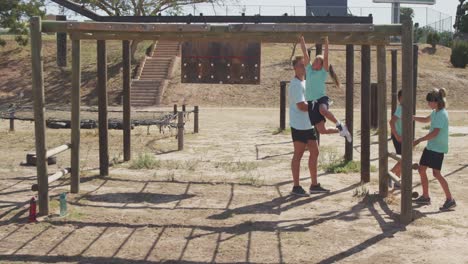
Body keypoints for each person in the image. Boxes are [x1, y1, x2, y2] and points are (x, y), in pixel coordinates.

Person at [289, 56, 329, 196]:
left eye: (304, 65)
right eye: (300, 65)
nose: (303, 67)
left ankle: (314, 184)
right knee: (298, 155)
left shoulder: (306, 82)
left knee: (315, 151)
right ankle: (296, 186)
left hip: (308, 124)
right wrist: (317, 108)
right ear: (295, 68)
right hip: (299, 125)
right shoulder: (295, 84)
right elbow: (301, 106)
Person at [299, 35, 352, 143]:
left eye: (317, 61)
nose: (314, 62)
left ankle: (339, 124)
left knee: (323, 110)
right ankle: (342, 130)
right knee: (322, 130)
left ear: (321, 66)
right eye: (314, 60)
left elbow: (326, 57)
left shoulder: (323, 72)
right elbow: (305, 53)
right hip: (311, 102)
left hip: (321, 99)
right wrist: (302, 39)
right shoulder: (308, 69)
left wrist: (327, 42)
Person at [413, 88, 456, 211]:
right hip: (431, 147)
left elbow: (435, 133)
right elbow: (427, 119)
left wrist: (419, 140)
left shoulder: (442, 114)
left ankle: (450, 199)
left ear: (436, 101)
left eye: (429, 102)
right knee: (422, 170)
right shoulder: (435, 111)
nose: (428, 104)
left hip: (437, 149)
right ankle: (425, 196)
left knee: (436, 174)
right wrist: (413, 118)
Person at [389, 90, 403, 188]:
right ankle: (390, 174)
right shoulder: (401, 108)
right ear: (399, 99)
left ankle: (397, 182)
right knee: (404, 159)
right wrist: (397, 135)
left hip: (402, 137)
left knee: (402, 159)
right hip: (398, 137)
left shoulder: (405, 108)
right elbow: (391, 122)